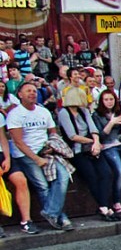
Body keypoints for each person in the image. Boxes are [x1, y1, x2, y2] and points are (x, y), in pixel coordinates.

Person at [7, 82, 74, 231]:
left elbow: (53, 132)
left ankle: (50, 212)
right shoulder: (15, 114)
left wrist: (52, 146)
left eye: (34, 91)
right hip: (25, 155)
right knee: (42, 185)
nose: (32, 93)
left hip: (46, 151)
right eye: (28, 91)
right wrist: (36, 159)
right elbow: (18, 142)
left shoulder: (43, 112)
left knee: (63, 176)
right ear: (20, 95)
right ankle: (60, 218)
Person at [58, 87, 118, 222]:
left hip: (92, 147)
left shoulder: (84, 111)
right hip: (77, 150)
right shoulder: (64, 113)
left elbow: (93, 129)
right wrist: (92, 142)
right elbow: (72, 136)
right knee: (92, 176)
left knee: (107, 173)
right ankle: (104, 207)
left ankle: (104, 205)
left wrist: (96, 142)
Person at [0, 107, 38, 236]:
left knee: (21, 180)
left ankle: (26, 221)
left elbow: (3, 139)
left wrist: (7, 158)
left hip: (2, 154)